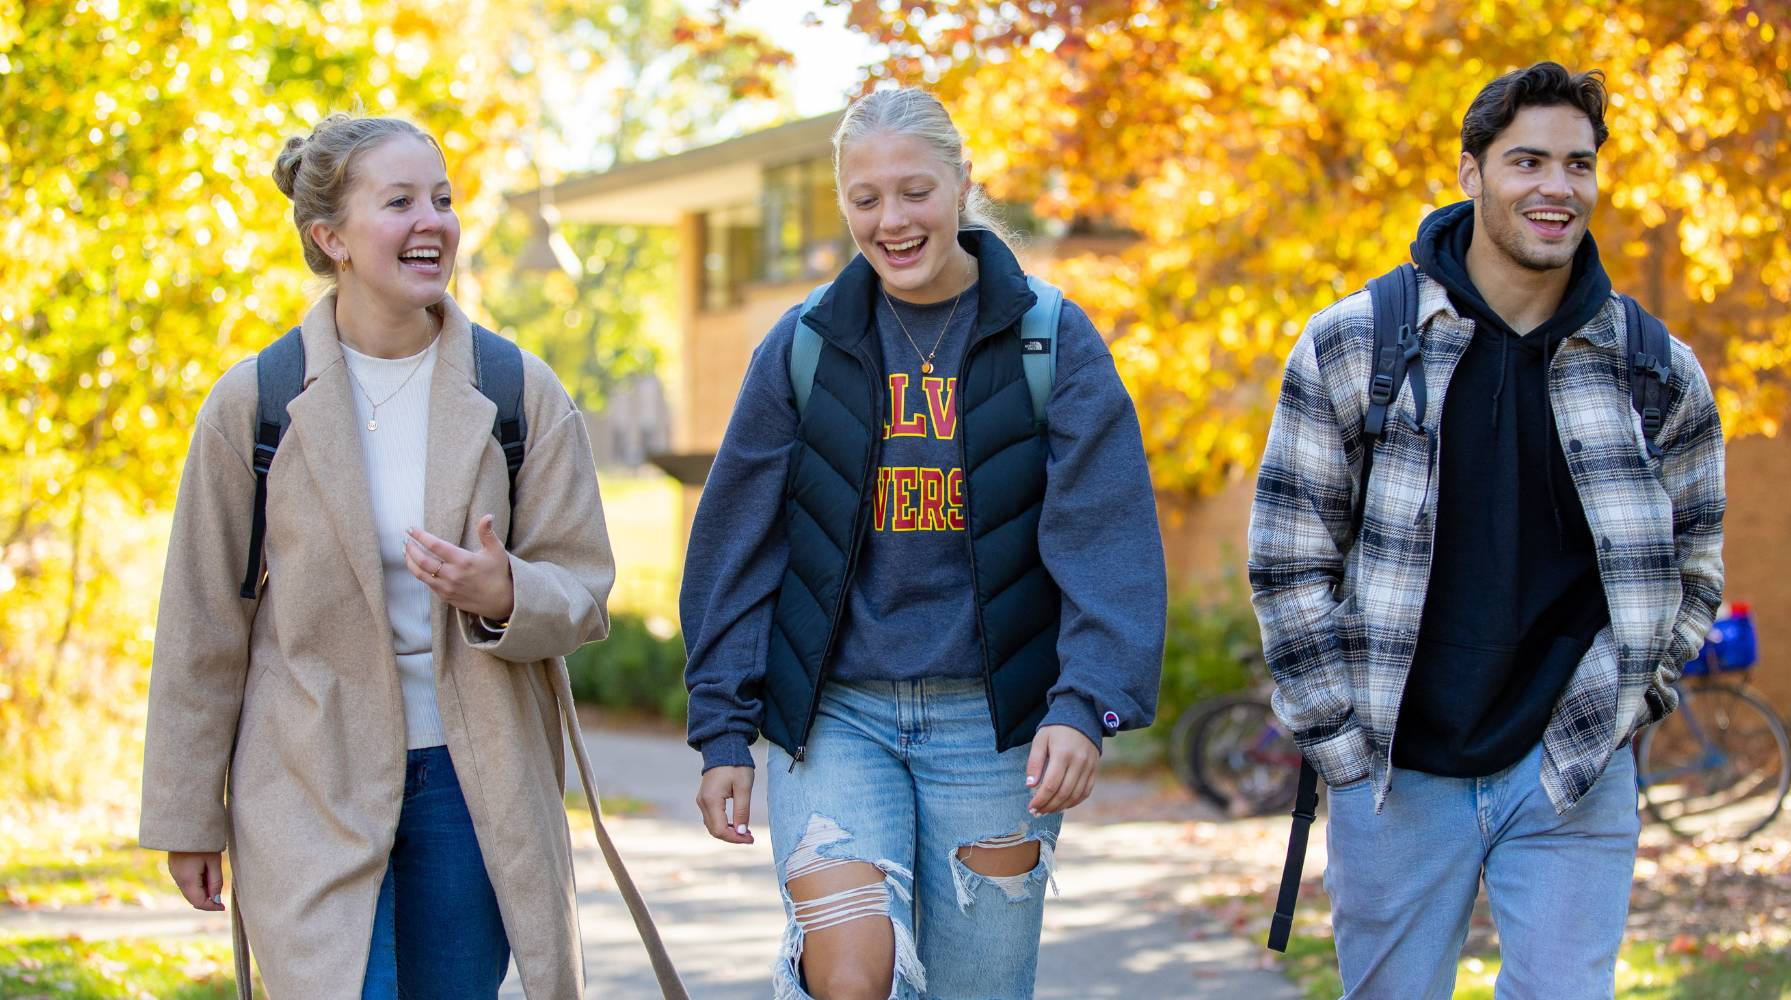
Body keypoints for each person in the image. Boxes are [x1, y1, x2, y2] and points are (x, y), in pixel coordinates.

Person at [139, 114, 682, 1000]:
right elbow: (202, 618)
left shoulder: (516, 390)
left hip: (476, 785)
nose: (432, 221)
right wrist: (187, 813)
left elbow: (583, 588)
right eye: (398, 203)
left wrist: (503, 590)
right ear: (332, 238)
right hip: (305, 779)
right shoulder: (257, 403)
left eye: (443, 199)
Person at [1248, 63, 1726, 998]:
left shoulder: (1654, 370)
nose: (1558, 188)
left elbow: (1695, 565)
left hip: (1571, 765)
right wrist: (1340, 744)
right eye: (1529, 161)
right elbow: (1287, 562)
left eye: (1579, 165)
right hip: (1395, 774)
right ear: (1471, 172)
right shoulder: (1357, 344)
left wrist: (1632, 702)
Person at [679, 88, 1167, 1000]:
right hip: (834, 721)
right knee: (852, 979)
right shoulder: (804, 347)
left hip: (994, 732)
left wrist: (1087, 704)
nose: (892, 221)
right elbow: (735, 546)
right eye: (865, 200)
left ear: (962, 187)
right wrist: (721, 730)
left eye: (915, 193)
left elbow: (1109, 543)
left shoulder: (1050, 341)